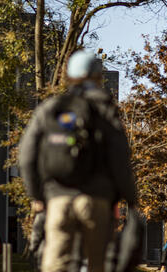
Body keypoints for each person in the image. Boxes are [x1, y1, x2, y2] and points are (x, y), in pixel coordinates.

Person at [19, 50, 138, 272]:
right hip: (96, 201)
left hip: (58, 199)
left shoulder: (51, 108)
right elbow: (120, 159)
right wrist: (130, 199)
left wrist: (37, 195)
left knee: (56, 266)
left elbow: (26, 156)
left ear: (68, 76)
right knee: (97, 265)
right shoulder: (105, 110)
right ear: (97, 77)